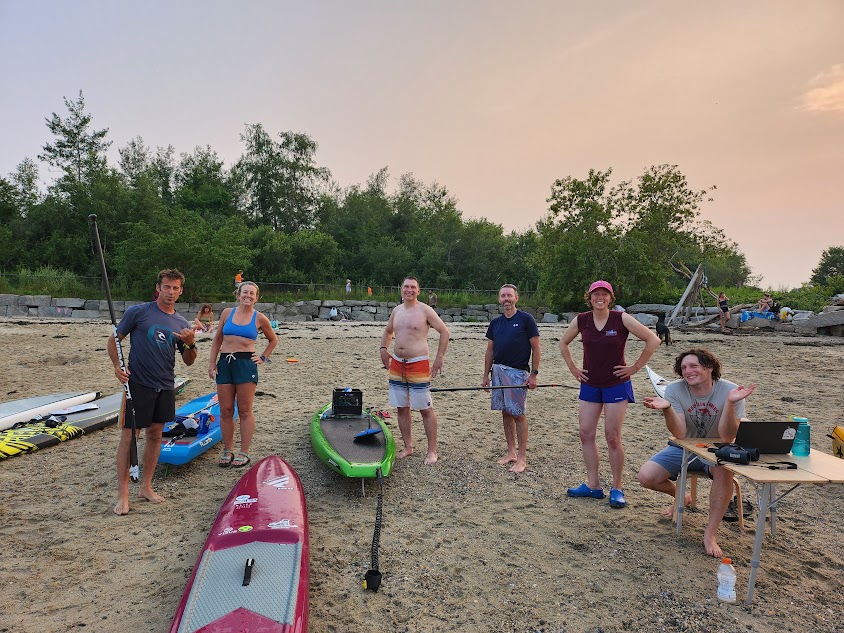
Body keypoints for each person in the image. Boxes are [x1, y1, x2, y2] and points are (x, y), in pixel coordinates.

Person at [637, 348, 756, 558]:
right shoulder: (674, 390)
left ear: (709, 368)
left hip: (718, 449)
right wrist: (667, 409)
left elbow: (728, 437)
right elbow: (680, 433)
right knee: (646, 476)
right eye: (683, 367)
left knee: (723, 472)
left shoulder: (731, 391)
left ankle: (710, 534)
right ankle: (681, 497)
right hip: (684, 447)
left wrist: (729, 403)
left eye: (693, 366)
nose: (687, 371)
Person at [560, 280, 660, 508]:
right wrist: (573, 368)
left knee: (612, 436)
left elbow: (653, 340)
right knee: (585, 433)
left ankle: (617, 487)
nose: (600, 298)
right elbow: (564, 343)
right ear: (590, 297)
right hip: (590, 384)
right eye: (596, 294)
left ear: (610, 297)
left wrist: (634, 367)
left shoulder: (620, 318)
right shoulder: (582, 319)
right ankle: (593, 485)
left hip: (616, 384)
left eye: (604, 294)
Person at [108, 269, 197, 515]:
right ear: (158, 288)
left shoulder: (181, 323)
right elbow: (114, 340)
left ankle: (146, 486)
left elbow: (189, 360)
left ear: (181, 291)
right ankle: (123, 494)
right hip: (138, 384)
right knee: (130, 436)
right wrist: (118, 366)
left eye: (175, 288)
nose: (171, 292)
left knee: (156, 435)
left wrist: (190, 342)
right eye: (167, 287)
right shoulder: (138, 312)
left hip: (166, 384)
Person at [380, 276, 450, 465]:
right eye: (406, 287)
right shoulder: (397, 311)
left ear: (418, 291)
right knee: (402, 407)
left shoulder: (425, 310)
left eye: (413, 287)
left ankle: (432, 451)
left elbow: (444, 332)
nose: (409, 290)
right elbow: (388, 332)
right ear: (401, 289)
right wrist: (383, 350)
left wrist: (439, 358)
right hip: (397, 364)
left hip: (418, 363)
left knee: (425, 408)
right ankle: (408, 446)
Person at [209, 281, 278, 468]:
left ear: (256, 297)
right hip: (225, 363)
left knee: (245, 410)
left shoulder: (260, 318)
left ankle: (244, 452)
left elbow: (273, 340)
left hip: (246, 363)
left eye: (252, 294)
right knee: (225, 410)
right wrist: (211, 363)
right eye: (245, 292)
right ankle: (228, 449)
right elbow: (217, 339)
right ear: (238, 294)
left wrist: (263, 357)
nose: (248, 296)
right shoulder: (226, 313)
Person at [482, 284, 540, 473]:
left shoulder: (526, 319)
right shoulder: (495, 323)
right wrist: (485, 374)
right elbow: (490, 350)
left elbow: (536, 348)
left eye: (509, 295)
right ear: (499, 299)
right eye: (502, 296)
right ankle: (511, 452)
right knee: (505, 412)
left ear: (516, 298)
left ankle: (522, 458)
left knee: (518, 414)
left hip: (518, 373)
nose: (506, 299)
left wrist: (534, 374)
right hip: (497, 371)